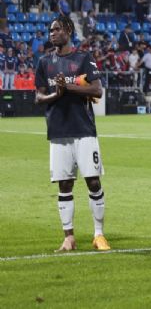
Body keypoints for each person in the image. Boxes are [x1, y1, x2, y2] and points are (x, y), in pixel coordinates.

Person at [35, 16, 108, 252]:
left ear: (68, 30)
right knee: (64, 185)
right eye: (50, 30)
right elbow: (39, 97)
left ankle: (98, 234)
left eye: (56, 29)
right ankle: (69, 238)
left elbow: (97, 90)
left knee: (93, 181)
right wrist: (56, 95)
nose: (52, 33)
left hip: (84, 130)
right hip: (58, 131)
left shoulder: (83, 59)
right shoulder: (45, 62)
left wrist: (69, 88)